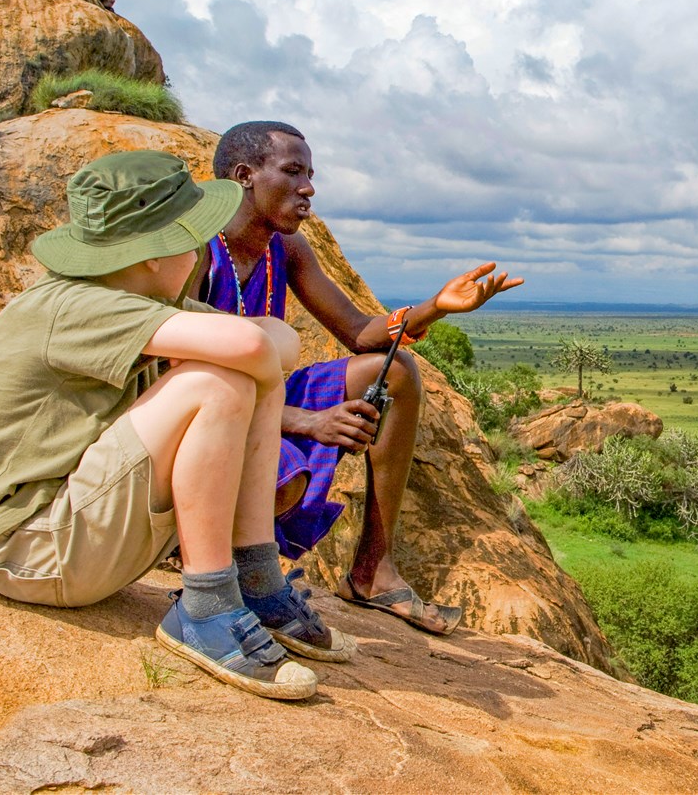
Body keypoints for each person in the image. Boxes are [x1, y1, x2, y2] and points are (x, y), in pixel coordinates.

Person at [0, 150, 355, 701]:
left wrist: (255, 357)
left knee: (238, 370)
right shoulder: (74, 307)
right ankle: (207, 606)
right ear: (152, 255)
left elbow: (280, 343)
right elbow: (256, 343)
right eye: (192, 241)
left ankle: (255, 579)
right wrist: (253, 357)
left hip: (72, 540)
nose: (199, 253)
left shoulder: (136, 300)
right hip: (25, 551)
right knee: (219, 381)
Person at [201, 120, 522, 635]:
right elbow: (176, 377)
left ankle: (373, 570)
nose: (308, 188)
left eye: (311, 174)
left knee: (393, 369)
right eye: (293, 172)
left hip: (263, 401)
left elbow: (359, 332)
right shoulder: (197, 250)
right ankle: (216, 573)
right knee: (283, 477)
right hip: (202, 408)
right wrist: (307, 421)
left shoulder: (286, 251)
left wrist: (436, 307)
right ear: (244, 175)